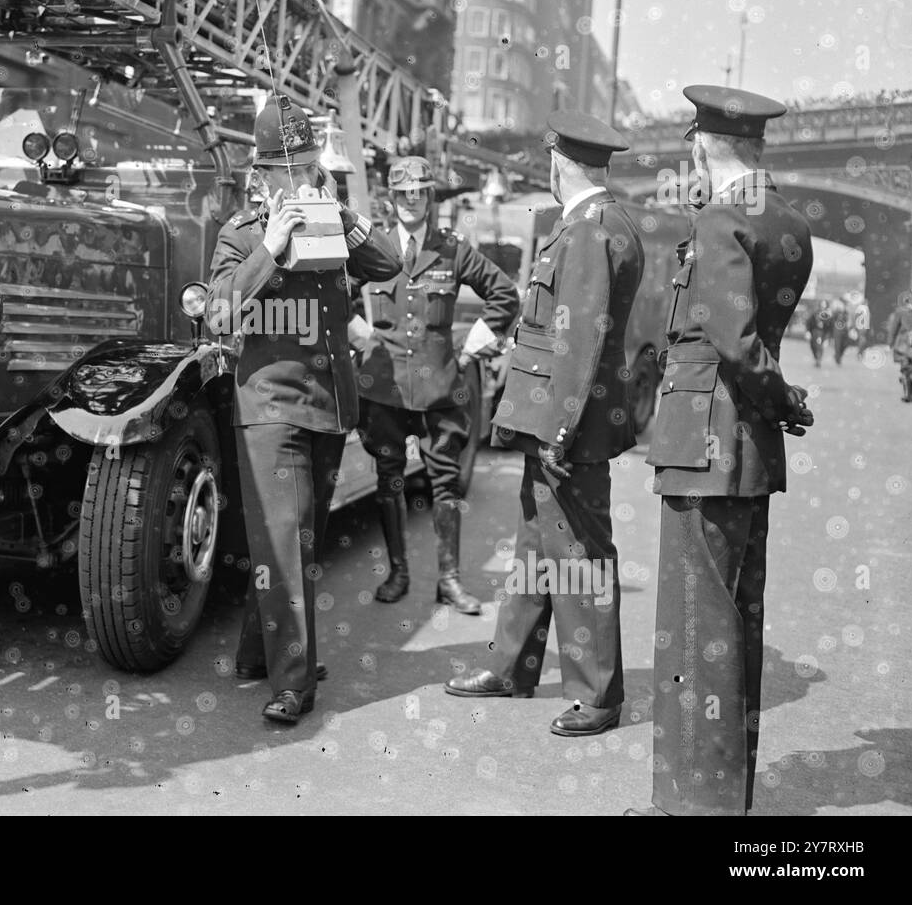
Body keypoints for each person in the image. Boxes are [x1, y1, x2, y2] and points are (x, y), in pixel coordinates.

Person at [628, 85, 814, 817]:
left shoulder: (718, 222)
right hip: (748, 448)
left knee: (695, 628)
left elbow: (732, 344)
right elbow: (758, 339)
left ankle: (697, 803)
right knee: (737, 620)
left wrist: (777, 396)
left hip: (702, 442)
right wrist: (783, 403)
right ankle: (723, 791)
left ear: (704, 145)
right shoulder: (789, 225)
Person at [445, 111, 643, 740]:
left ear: (560, 163)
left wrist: (559, 430)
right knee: (536, 548)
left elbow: (578, 341)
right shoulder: (598, 223)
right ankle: (512, 666)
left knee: (579, 557)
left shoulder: (588, 230)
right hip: (555, 422)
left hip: (568, 429)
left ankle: (597, 693)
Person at [207, 94, 400, 724]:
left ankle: (254, 654)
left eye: (307, 163)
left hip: (327, 404)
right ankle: (294, 683)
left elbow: (390, 262)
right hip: (268, 402)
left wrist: (337, 210)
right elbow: (218, 312)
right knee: (285, 543)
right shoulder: (241, 235)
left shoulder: (332, 219)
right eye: (288, 167)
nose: (300, 176)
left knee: (297, 537)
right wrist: (272, 244)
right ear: (261, 175)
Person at [349, 154, 519, 612]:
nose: (409, 201)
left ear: (429, 197)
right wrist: (356, 331)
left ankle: (449, 580)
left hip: (440, 388)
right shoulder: (371, 247)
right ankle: (398, 572)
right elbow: (334, 295)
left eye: (418, 193)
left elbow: (505, 294)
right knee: (389, 480)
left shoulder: (452, 249)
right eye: (402, 193)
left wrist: (470, 347)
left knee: (445, 483)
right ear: (391, 197)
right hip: (382, 387)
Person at [887, 290, 912, 402]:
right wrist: (890, 342)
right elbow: (894, 328)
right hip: (905, 345)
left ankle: (909, 393)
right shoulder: (901, 312)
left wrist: (891, 343)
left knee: (906, 369)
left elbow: (894, 329)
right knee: (907, 369)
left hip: (904, 345)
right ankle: (908, 393)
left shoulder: (900, 312)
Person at [804, 299, 830, 367]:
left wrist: (827, 338)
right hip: (814, 332)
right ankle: (816, 358)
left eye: (824, 306)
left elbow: (829, 327)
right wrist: (807, 332)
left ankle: (818, 359)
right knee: (813, 346)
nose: (823, 307)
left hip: (822, 333)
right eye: (822, 305)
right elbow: (808, 323)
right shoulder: (815, 313)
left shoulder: (828, 316)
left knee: (819, 347)